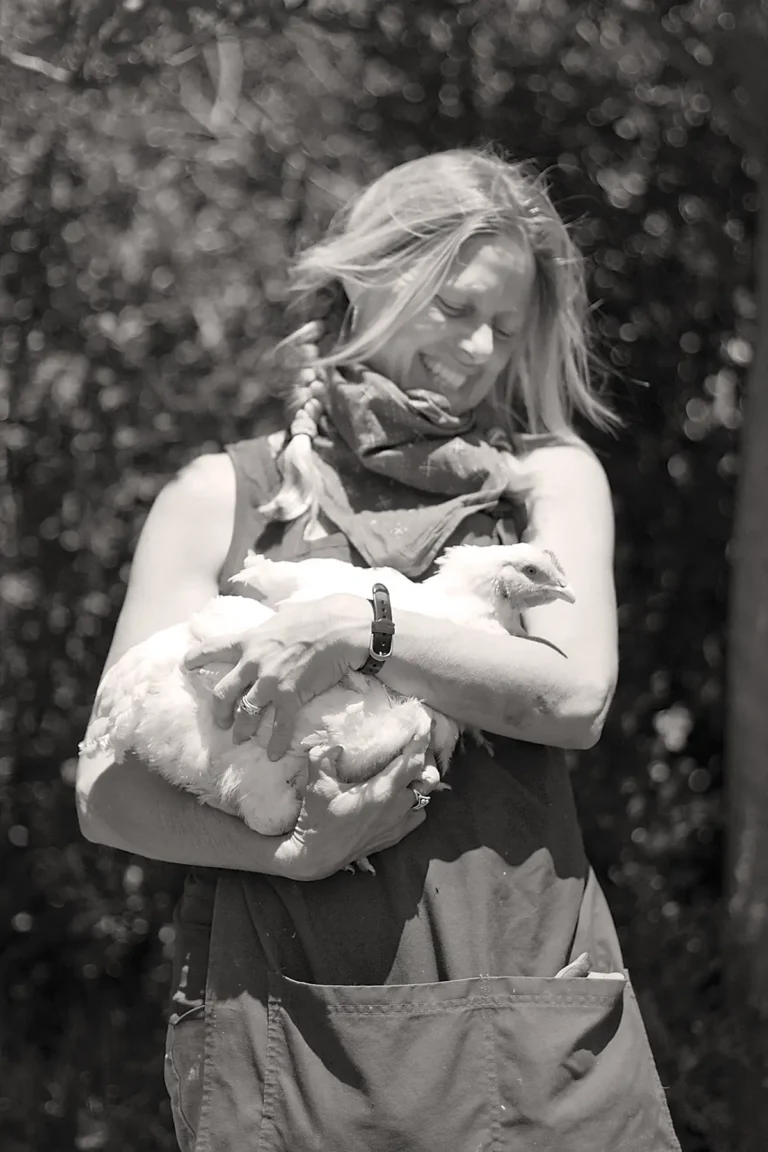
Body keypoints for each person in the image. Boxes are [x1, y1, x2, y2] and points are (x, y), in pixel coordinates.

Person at [76, 148, 681, 1151]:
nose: (483, 346)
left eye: (508, 320)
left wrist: (368, 626)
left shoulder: (547, 481)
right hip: (286, 1021)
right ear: (370, 280)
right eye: (456, 308)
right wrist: (290, 853)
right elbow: (106, 785)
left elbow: (574, 695)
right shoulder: (221, 498)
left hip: (523, 998)